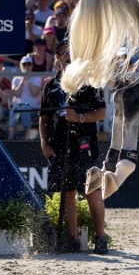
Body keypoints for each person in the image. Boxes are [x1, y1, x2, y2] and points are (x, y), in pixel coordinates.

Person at [39, 46, 109, 254]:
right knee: (67, 193)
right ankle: (72, 240)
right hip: (59, 145)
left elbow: (102, 112)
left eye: (71, 53)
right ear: (58, 58)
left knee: (92, 191)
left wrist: (80, 117)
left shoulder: (91, 82)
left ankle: (100, 238)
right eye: (63, 54)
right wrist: (44, 141)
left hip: (85, 147)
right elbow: (43, 117)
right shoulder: (50, 85)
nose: (67, 57)